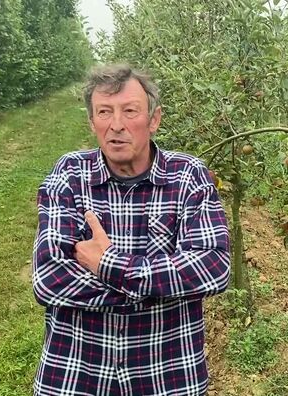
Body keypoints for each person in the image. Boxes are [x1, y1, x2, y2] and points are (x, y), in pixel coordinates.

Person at [31, 63, 231, 395]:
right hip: (78, 370)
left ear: (154, 120)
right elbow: (49, 280)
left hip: (166, 373)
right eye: (104, 112)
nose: (116, 125)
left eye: (130, 111)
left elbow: (213, 269)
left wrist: (107, 263)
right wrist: (161, 286)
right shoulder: (69, 174)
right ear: (91, 122)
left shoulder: (188, 177)